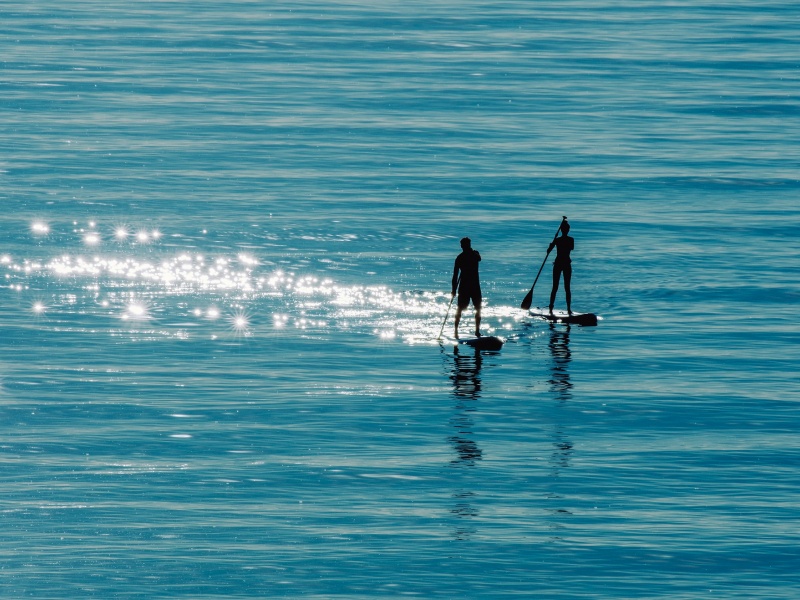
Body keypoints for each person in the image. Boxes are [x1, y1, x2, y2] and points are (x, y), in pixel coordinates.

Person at [452, 237, 482, 338]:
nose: (466, 247)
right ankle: (456, 331)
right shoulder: (460, 258)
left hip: (474, 287)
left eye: (467, 245)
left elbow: (479, 258)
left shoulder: (474, 255)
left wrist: (453, 290)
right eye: (465, 245)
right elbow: (455, 276)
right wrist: (453, 290)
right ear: (462, 246)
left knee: (478, 309)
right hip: (465, 287)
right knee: (460, 309)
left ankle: (477, 331)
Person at [548, 220, 574, 315]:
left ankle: (551, 307)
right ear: (567, 230)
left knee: (555, 287)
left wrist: (552, 244)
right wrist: (552, 244)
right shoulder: (571, 240)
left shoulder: (558, 240)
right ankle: (568, 309)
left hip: (559, 263)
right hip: (566, 264)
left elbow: (548, 251)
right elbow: (571, 248)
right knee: (566, 287)